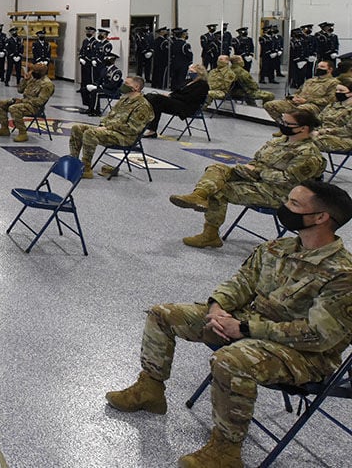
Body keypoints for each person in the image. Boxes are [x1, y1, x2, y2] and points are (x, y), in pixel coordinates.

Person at [106, 180, 352, 468]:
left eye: (294, 204)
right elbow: (241, 283)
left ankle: (225, 451)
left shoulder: (342, 274)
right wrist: (217, 308)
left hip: (305, 355)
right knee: (162, 315)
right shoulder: (277, 248)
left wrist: (245, 329)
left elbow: (319, 336)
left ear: (321, 217)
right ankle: (150, 390)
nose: (284, 207)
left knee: (231, 361)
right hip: (249, 325)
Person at [169, 109, 325, 248]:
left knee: (220, 190)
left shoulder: (308, 154)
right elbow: (258, 159)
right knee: (217, 168)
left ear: (303, 128)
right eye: (282, 121)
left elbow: (287, 179)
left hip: (278, 193)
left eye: (287, 123)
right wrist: (250, 169)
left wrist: (259, 171)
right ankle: (199, 195)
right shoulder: (280, 141)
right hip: (257, 179)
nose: (282, 125)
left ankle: (210, 235)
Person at [67, 76, 154, 178]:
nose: (123, 86)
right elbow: (109, 116)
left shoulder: (143, 106)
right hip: (111, 130)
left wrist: (108, 128)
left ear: (136, 87)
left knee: (90, 133)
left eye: (127, 84)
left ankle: (86, 169)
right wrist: (103, 125)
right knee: (77, 128)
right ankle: (74, 161)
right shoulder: (124, 99)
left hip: (125, 137)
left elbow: (132, 129)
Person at [0, 62, 55, 143]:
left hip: (35, 107)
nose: (32, 72)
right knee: (1, 104)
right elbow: (20, 90)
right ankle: (4, 128)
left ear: (41, 72)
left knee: (13, 108)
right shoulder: (33, 79)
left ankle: (22, 133)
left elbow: (40, 101)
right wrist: (25, 80)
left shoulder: (47, 84)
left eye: (34, 71)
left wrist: (22, 101)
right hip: (25, 103)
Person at [143, 63, 210, 136]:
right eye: (189, 71)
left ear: (199, 73)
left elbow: (190, 98)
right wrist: (170, 95)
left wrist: (171, 97)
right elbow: (178, 91)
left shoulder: (203, 85)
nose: (190, 73)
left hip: (187, 107)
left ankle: (151, 129)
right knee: (154, 102)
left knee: (156, 99)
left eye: (192, 72)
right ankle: (151, 129)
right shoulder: (188, 81)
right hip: (179, 102)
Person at [264, 58, 338, 122]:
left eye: (322, 67)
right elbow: (298, 91)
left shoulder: (333, 83)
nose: (318, 68)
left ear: (330, 69)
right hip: (297, 103)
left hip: (314, 106)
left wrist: (306, 101)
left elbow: (329, 100)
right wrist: (294, 97)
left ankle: (300, 128)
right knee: (270, 105)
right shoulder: (310, 81)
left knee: (299, 111)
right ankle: (284, 125)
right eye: (318, 66)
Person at [313, 84, 352, 152]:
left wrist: (325, 131)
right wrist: (313, 130)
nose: (337, 92)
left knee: (312, 143)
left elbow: (348, 131)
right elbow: (318, 121)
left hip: (344, 139)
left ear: (350, 93)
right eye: (336, 90)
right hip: (323, 134)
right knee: (299, 138)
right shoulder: (332, 105)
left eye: (341, 90)